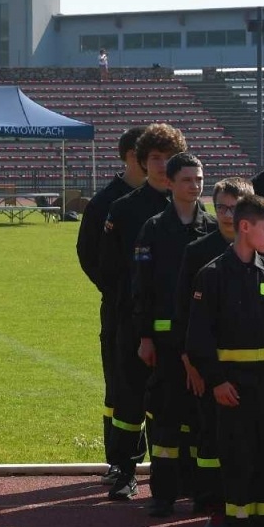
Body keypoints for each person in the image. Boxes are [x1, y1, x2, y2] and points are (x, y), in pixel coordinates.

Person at [186, 194, 264, 527]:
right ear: (246, 227)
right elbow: (199, 337)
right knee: (238, 456)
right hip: (233, 385)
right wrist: (217, 380)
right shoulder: (213, 275)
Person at [97, 122, 188, 499]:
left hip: (180, 324)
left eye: (170, 159)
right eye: (156, 158)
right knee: (129, 396)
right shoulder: (123, 209)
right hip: (132, 321)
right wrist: (132, 309)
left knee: (177, 399)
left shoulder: (191, 208)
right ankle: (124, 469)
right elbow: (107, 265)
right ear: (142, 161)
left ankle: (177, 474)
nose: (163, 165)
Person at [132, 152, 213, 516]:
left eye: (198, 179)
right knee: (165, 418)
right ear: (170, 183)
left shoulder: (212, 228)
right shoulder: (153, 228)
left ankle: (199, 490)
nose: (194, 186)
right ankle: (163, 493)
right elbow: (142, 287)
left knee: (200, 418)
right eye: (186, 179)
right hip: (165, 342)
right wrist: (146, 336)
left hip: (201, 340)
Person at [174, 176, 255, 527]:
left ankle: (254, 506)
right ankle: (215, 506)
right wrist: (192, 361)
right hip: (211, 365)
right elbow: (183, 314)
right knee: (212, 438)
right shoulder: (197, 251)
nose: (226, 214)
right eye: (220, 206)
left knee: (254, 437)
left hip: (257, 365)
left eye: (235, 208)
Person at [76, 125, 146, 485]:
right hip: (120, 311)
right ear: (134, 156)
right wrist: (117, 292)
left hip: (164, 315)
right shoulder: (106, 203)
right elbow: (88, 255)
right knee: (120, 387)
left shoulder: (171, 198)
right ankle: (120, 460)